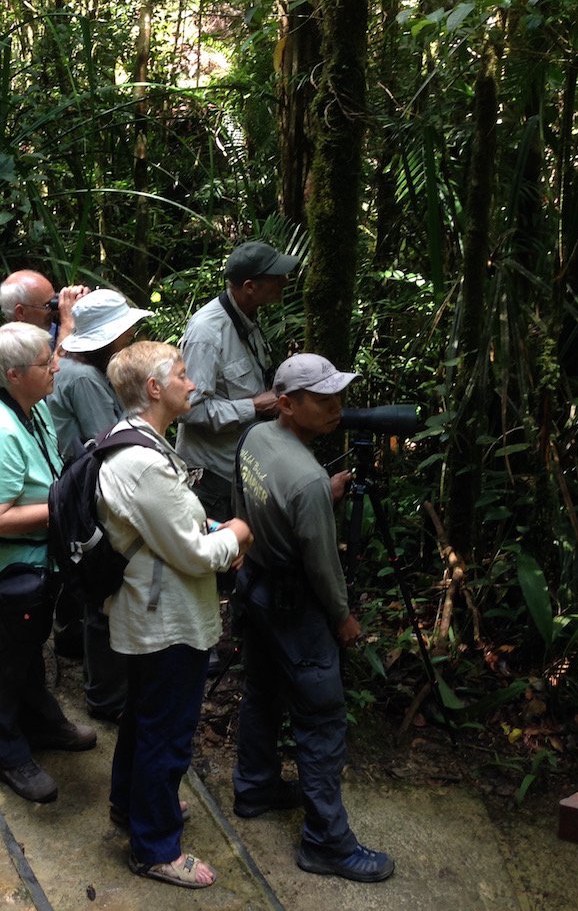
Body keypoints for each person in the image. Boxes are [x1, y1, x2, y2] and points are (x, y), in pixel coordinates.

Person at [233, 352, 395, 882]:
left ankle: (254, 786)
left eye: (339, 398)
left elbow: (260, 508)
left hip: (255, 587)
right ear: (286, 403)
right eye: (322, 400)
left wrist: (323, 495)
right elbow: (324, 567)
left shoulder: (257, 439)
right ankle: (327, 843)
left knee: (263, 691)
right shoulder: (305, 479)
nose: (336, 410)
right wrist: (344, 619)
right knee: (321, 720)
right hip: (295, 608)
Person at [97, 341, 253, 889]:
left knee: (145, 719)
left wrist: (202, 528)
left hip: (154, 610)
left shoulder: (140, 444)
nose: (194, 384)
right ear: (155, 389)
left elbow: (166, 531)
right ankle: (155, 847)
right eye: (183, 375)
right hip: (165, 621)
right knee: (166, 732)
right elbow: (191, 554)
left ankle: (131, 807)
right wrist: (236, 534)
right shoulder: (142, 462)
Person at [0, 322, 97, 803]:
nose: (56, 365)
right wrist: (69, 508)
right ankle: (7, 754)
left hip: (39, 560)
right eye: (46, 362)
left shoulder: (26, 407)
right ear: (15, 374)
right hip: (16, 566)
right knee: (6, 654)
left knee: (25, 645)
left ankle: (42, 723)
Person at [46, 289, 152, 723]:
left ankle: (72, 646)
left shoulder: (74, 368)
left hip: (74, 484)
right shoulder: (86, 378)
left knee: (85, 583)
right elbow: (108, 440)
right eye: (126, 328)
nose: (131, 333)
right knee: (102, 583)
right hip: (85, 491)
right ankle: (105, 694)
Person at [176, 241, 296, 523]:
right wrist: (253, 406)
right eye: (275, 277)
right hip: (212, 476)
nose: (285, 281)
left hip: (242, 467)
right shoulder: (206, 331)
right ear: (250, 286)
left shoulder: (247, 318)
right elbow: (188, 410)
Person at [0, 269, 88, 353]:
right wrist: (68, 323)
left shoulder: (52, 330)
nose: (54, 309)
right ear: (21, 313)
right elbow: (59, 369)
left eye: (55, 298)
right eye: (47, 305)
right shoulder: (9, 350)